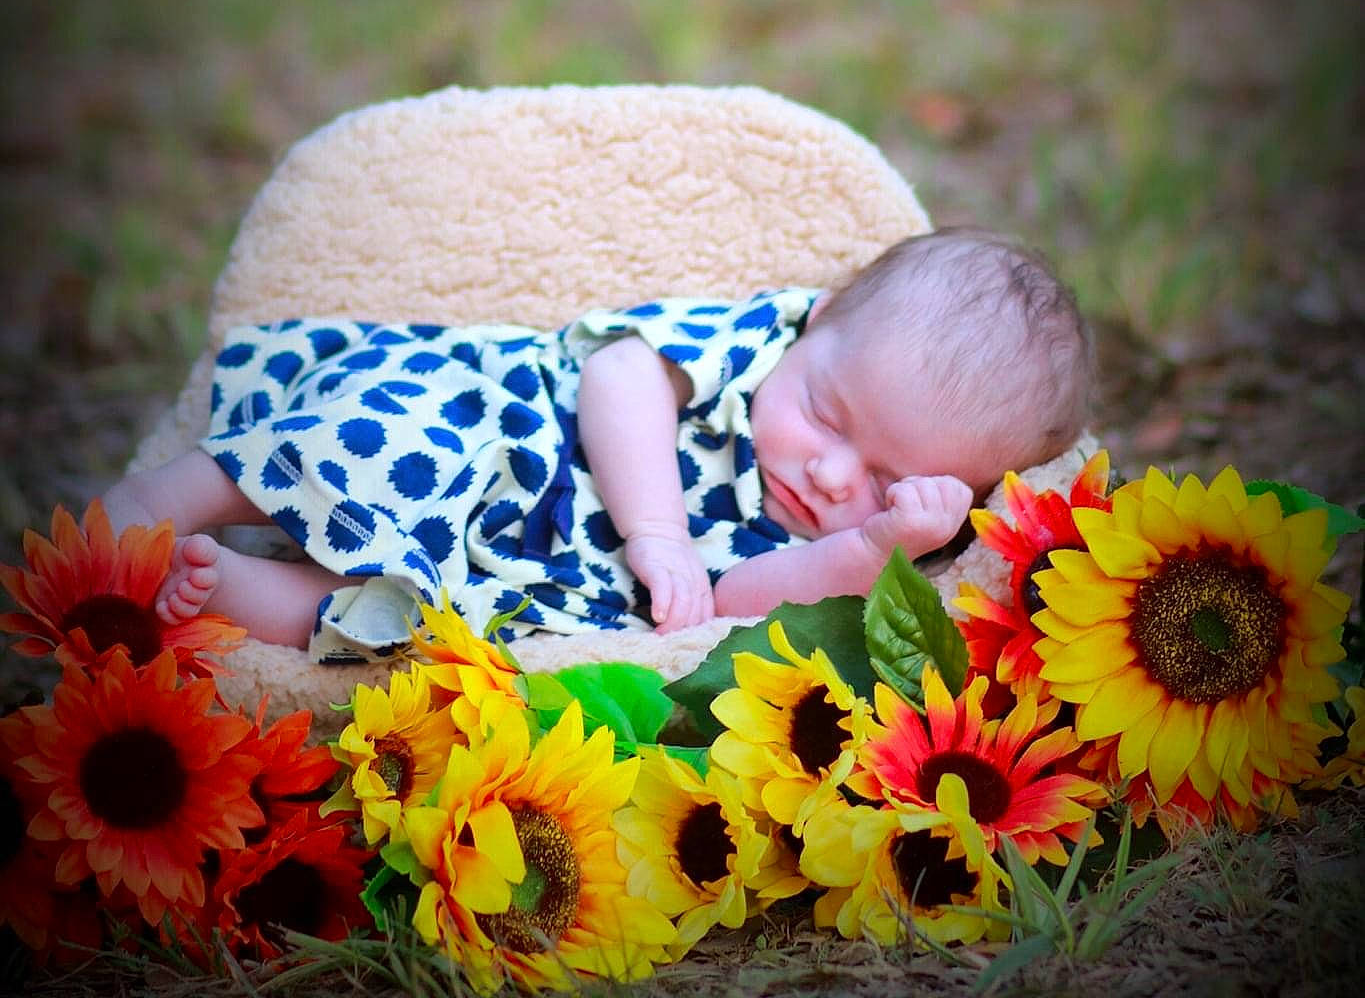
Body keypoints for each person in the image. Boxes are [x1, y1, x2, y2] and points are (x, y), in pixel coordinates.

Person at [98, 228, 1094, 656]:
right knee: (371, 446)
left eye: (889, 481)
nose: (833, 476)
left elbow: (729, 606)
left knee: (418, 631)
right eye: (830, 419)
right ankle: (174, 499)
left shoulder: (826, 537)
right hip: (501, 426)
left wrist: (870, 551)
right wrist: (657, 533)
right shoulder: (757, 339)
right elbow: (618, 371)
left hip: (530, 572)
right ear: (818, 321)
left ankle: (227, 587)